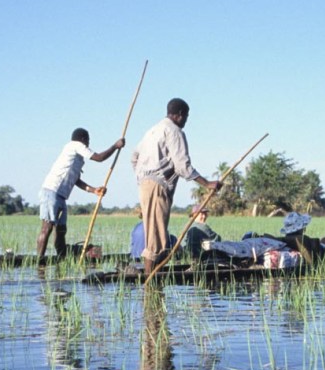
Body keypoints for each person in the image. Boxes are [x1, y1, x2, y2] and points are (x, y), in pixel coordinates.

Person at [131, 98, 220, 275]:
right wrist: (207, 184)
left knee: (153, 234)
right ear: (179, 115)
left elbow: (134, 156)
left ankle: (152, 281)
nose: (186, 121)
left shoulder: (152, 130)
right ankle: (151, 284)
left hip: (145, 185)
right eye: (186, 116)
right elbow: (182, 166)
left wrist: (142, 177)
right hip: (157, 186)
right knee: (156, 239)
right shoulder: (174, 131)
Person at [37, 128, 125, 261]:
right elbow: (99, 158)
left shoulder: (76, 158)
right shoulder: (76, 146)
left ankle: (61, 260)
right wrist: (115, 146)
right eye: (88, 140)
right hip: (51, 192)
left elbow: (76, 180)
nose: (89, 143)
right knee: (47, 228)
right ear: (84, 139)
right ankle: (40, 262)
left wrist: (94, 190)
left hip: (61, 196)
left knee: (61, 231)